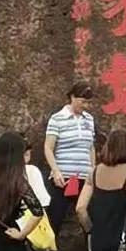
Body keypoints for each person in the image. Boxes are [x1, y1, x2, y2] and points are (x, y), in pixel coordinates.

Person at [43, 82, 96, 236]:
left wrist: (93, 170)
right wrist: (56, 171)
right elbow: (48, 147)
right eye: (82, 101)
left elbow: (91, 147)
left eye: (88, 102)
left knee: (87, 216)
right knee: (54, 220)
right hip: (63, 179)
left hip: (85, 179)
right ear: (72, 97)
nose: (85, 105)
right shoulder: (57, 119)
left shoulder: (89, 119)